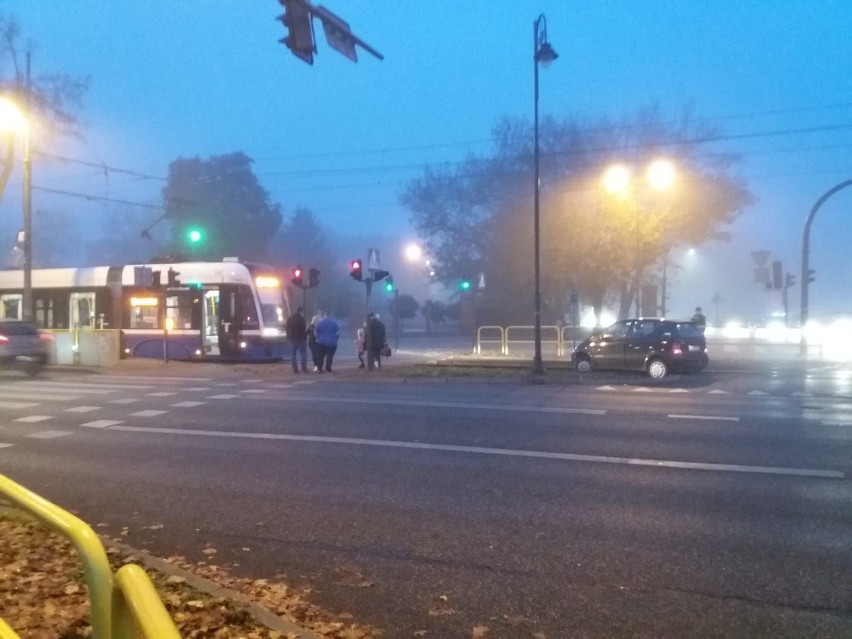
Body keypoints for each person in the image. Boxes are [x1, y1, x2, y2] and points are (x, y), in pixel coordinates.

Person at [285, 307, 308, 373]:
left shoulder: (290, 318)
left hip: (292, 339)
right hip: (301, 339)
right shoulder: (301, 319)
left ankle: (295, 369)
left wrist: (288, 337)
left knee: (293, 354)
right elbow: (303, 329)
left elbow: (287, 328)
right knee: (303, 353)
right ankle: (304, 369)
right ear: (301, 311)